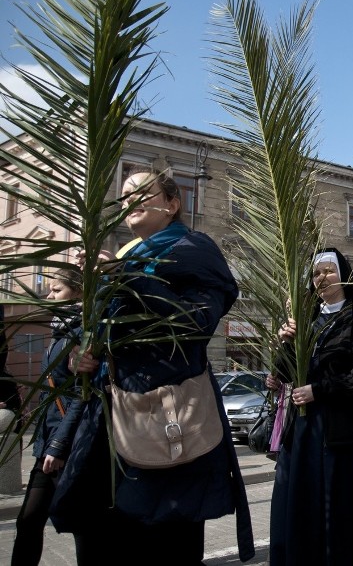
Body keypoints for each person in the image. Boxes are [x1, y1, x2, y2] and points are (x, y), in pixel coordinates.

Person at [51, 169, 253, 565]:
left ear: (173, 204)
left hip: (166, 417)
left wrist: (124, 277)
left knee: (166, 540)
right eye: (125, 194)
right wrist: (83, 358)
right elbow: (103, 336)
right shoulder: (127, 255)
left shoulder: (193, 248)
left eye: (143, 191)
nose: (130, 199)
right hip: (107, 421)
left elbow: (195, 323)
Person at [268, 248, 353, 565]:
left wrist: (318, 391)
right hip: (304, 433)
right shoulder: (308, 322)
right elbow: (283, 373)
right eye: (316, 273)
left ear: (344, 276)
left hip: (340, 436)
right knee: (303, 511)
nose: (321, 278)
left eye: (328, 271)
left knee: (339, 516)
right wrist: (286, 341)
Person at [12, 269, 84, 566]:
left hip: (68, 444)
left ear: (78, 292)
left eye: (56, 290)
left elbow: (83, 394)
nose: (49, 295)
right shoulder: (59, 331)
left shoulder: (81, 333)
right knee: (28, 520)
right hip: (48, 441)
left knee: (83, 525)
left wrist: (58, 445)